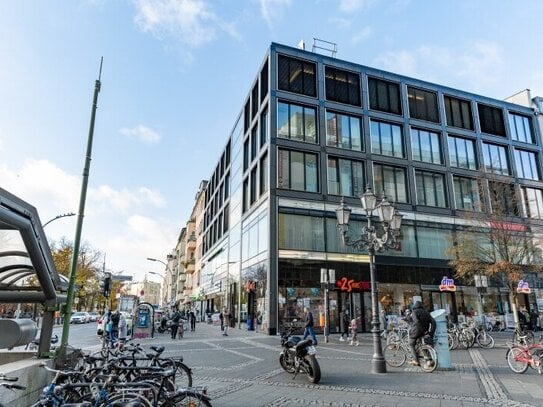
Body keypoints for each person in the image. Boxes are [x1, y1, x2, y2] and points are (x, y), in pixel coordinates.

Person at [407, 301, 436, 366]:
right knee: (421, 345)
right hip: (424, 332)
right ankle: (429, 360)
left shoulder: (414, 312)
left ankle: (416, 360)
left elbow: (416, 322)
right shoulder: (426, 312)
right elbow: (433, 322)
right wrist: (431, 333)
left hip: (416, 332)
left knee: (411, 344)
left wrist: (423, 331)